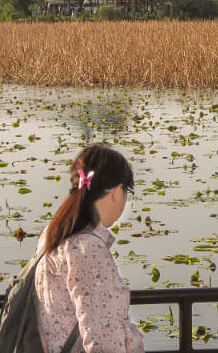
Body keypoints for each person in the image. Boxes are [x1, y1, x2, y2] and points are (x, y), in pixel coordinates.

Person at [34, 144, 145, 352]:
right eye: (127, 191)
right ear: (115, 192)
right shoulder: (88, 250)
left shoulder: (55, 233)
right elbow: (102, 341)